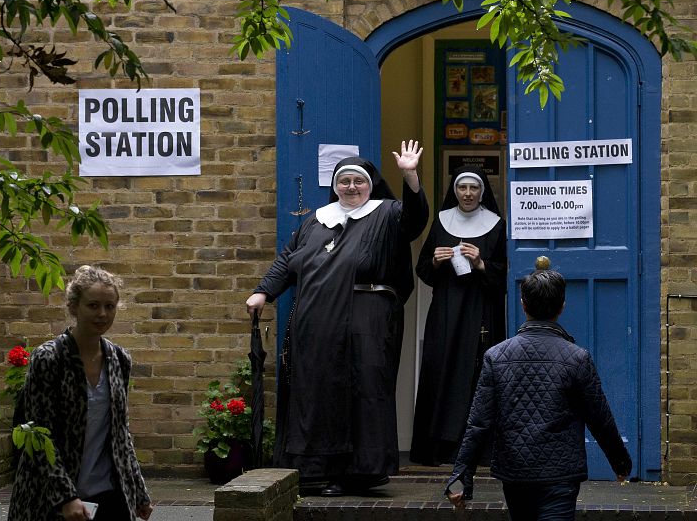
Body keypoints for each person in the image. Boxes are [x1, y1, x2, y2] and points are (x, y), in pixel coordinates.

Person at [246, 140, 428, 497]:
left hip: (368, 319)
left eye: (358, 181)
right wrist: (264, 291)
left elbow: (416, 220)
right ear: (334, 185)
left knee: (364, 390)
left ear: (370, 183)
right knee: (319, 392)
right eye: (343, 181)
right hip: (318, 323)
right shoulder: (317, 220)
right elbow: (288, 259)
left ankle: (361, 473)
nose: (351, 187)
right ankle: (317, 471)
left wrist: (410, 177)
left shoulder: (387, 213)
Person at [446, 267, 631, 520]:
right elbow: (600, 418)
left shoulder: (496, 357)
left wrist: (460, 478)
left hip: (515, 472)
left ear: (523, 305)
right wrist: (620, 463)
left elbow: (478, 423)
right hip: (561, 474)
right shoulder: (577, 358)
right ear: (562, 306)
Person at [9, 265, 152, 521]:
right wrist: (66, 496)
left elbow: (120, 433)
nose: (102, 313)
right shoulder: (50, 358)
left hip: (107, 492)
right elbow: (39, 437)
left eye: (110, 306)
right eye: (93, 305)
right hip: (51, 497)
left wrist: (138, 491)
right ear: (74, 307)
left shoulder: (119, 359)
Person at [409, 165, 506, 465]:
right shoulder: (441, 222)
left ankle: (480, 451)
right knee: (441, 373)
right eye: (462, 188)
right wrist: (436, 262)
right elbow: (422, 269)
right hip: (445, 312)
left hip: (482, 312)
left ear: (482, 192)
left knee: (479, 376)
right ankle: (439, 449)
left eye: (473, 188)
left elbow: (506, 276)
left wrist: (481, 265)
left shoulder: (497, 225)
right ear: (454, 190)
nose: (467, 194)